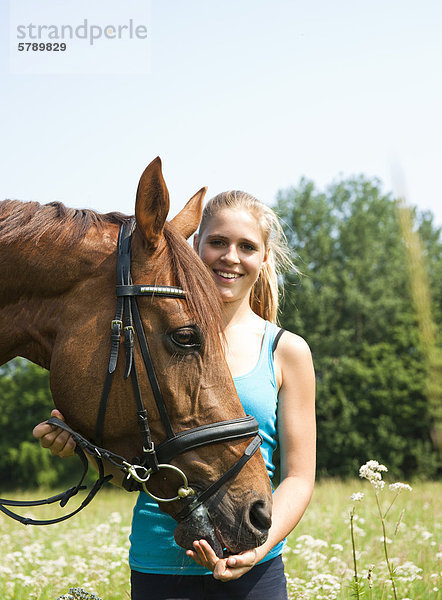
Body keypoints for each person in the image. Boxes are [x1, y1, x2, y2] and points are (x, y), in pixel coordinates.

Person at [33, 190, 316, 600]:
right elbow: (137, 467)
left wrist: (260, 547)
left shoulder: (286, 351)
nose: (230, 257)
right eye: (217, 242)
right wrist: (81, 448)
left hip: (256, 563)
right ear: (193, 245)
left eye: (247, 246)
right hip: (159, 565)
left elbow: (298, 476)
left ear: (265, 258)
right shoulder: (150, 340)